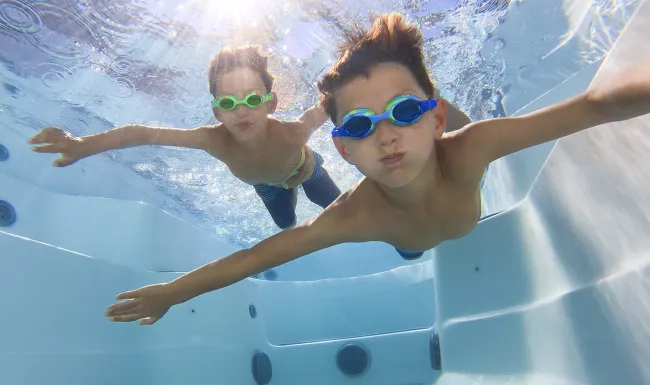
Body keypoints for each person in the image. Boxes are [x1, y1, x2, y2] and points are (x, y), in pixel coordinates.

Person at [105, 12, 650, 325]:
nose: (386, 136)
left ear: (431, 121)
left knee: (463, 132)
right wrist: (170, 293)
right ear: (342, 150)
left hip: (456, 172)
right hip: (410, 230)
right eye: (361, 127)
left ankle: (433, 98)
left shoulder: (471, 147)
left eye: (404, 113)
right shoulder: (352, 215)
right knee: (413, 245)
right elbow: (255, 257)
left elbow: (595, 107)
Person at [28, 45, 341, 230]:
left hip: (305, 167)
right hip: (265, 185)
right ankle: (289, 192)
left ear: (271, 104)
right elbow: (145, 134)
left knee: (338, 207)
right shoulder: (213, 139)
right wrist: (84, 144)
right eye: (229, 103)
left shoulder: (293, 131)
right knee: (285, 225)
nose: (241, 111)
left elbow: (330, 100)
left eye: (253, 99)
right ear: (217, 112)